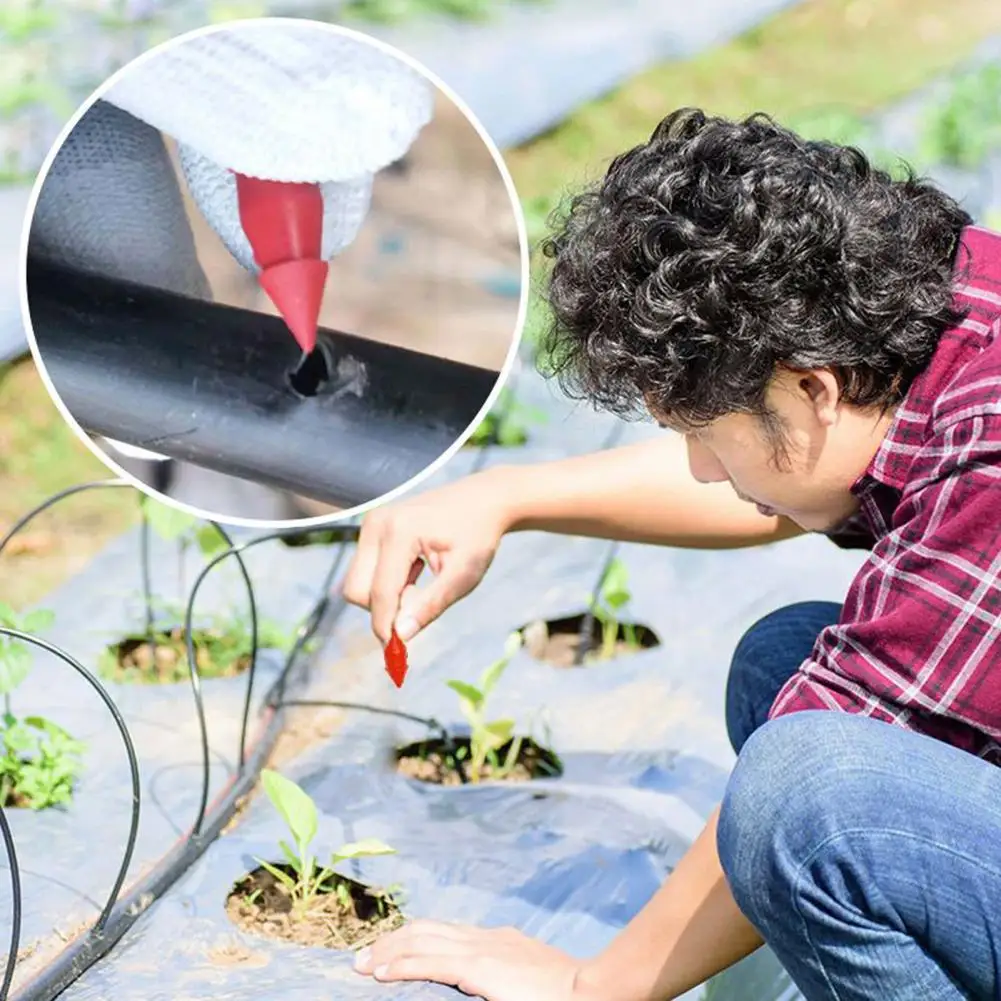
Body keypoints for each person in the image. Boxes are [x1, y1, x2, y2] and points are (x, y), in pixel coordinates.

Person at [345, 109, 1001, 1000]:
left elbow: (831, 748)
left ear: (811, 387)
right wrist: (503, 496)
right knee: (777, 668)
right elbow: (792, 480)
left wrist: (591, 985)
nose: (700, 468)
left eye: (704, 435)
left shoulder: (987, 462)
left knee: (802, 791)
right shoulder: (946, 301)